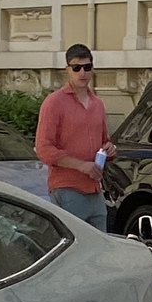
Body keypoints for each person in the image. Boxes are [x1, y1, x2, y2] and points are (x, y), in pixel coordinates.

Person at [35, 44, 115, 230]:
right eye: (76, 68)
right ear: (67, 70)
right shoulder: (54, 102)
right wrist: (81, 165)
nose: (82, 73)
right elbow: (44, 148)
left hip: (95, 189)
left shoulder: (97, 103)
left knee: (100, 248)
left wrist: (110, 149)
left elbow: (104, 140)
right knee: (77, 249)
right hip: (67, 188)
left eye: (87, 67)